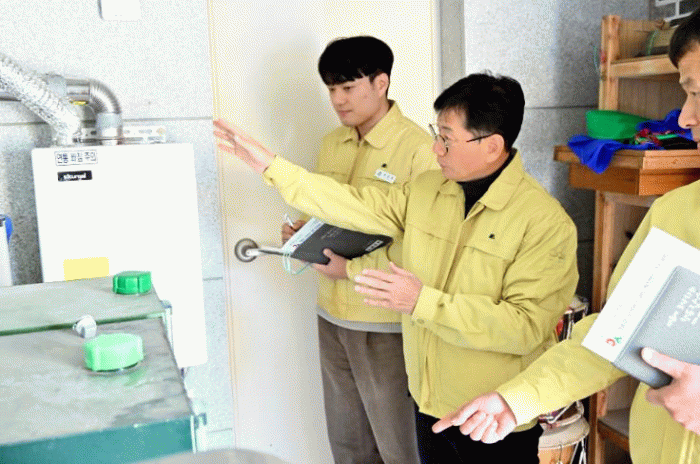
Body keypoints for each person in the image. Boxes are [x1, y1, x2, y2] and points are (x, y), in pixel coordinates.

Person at [214, 71, 578, 463]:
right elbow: (355, 205)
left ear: (492, 146)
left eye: (447, 139)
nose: (436, 149)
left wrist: (422, 302)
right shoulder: (427, 190)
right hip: (428, 405)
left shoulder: (544, 223)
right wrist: (273, 168)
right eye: (436, 133)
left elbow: (524, 327)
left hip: (493, 417)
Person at [432, 9, 700, 464]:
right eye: (685, 94)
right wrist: (516, 400)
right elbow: (612, 336)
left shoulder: (541, 217)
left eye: (697, 94)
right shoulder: (675, 212)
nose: (686, 117)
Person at [270, 36, 436, 464]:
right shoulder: (332, 143)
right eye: (331, 89)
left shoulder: (420, 150)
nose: (337, 100)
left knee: (398, 446)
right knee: (347, 445)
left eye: (347, 87)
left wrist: (352, 271)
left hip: (384, 322)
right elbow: (329, 213)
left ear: (381, 83)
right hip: (330, 314)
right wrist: (302, 233)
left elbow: (425, 247)